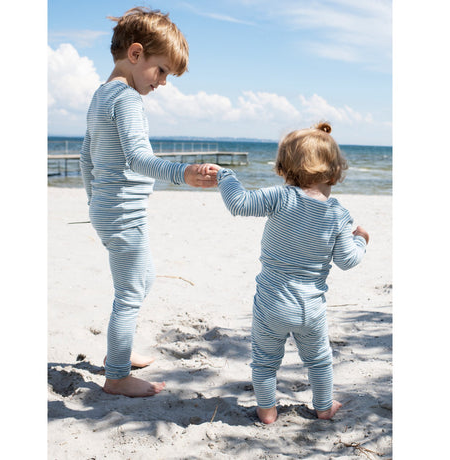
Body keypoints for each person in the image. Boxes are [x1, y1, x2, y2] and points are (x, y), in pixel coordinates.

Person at [80, 7, 217, 398]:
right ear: (136, 54)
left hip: (111, 210)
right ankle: (117, 376)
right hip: (123, 213)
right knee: (129, 293)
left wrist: (93, 201)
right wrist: (182, 173)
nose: (163, 83)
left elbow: (85, 156)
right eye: (161, 71)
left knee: (143, 279)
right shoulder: (126, 99)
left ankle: (119, 351)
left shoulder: (100, 95)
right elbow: (139, 158)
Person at [204, 122, 369, 423]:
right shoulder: (339, 214)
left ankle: (267, 411)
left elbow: (238, 203)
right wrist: (361, 240)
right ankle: (324, 407)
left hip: (271, 305)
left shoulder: (281, 198)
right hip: (310, 309)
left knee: (265, 362)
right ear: (335, 171)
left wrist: (226, 176)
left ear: (283, 168)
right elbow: (348, 260)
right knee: (319, 361)